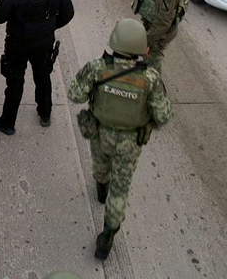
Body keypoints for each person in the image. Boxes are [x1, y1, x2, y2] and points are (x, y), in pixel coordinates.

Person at [67, 19, 173, 260]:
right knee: (121, 190)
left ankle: (100, 189)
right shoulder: (150, 78)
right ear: (142, 48)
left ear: (114, 42)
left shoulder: (97, 68)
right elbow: (163, 116)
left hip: (100, 133)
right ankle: (106, 237)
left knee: (100, 166)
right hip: (130, 142)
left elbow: (75, 94)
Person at [0, 0, 74, 135]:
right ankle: (45, 114)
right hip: (44, 43)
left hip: (18, 45)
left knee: (15, 83)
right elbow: (68, 13)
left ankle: (7, 122)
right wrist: (50, 25)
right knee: (43, 78)